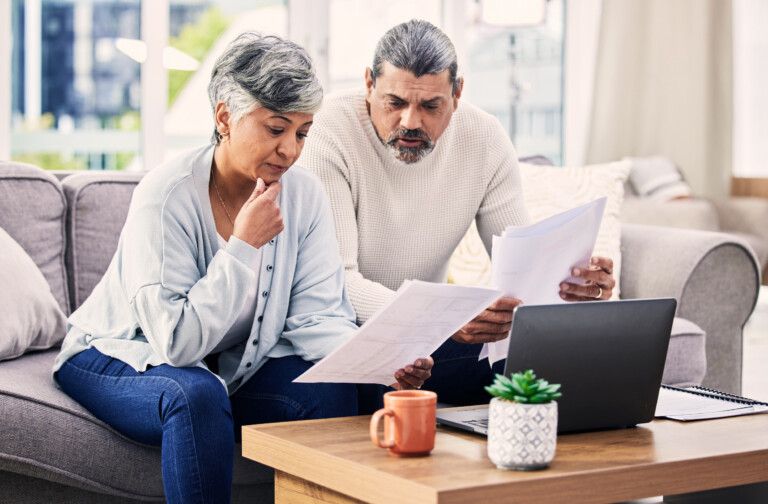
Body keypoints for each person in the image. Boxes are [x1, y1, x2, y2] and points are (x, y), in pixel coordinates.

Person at [52, 32, 432, 504]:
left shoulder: (304, 195)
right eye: (276, 129)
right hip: (120, 352)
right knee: (195, 396)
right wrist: (243, 245)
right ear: (224, 117)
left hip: (222, 364)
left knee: (333, 391)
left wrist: (379, 362)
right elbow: (177, 343)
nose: (290, 151)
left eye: (302, 133)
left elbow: (318, 319)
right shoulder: (165, 196)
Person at [298, 20, 615, 405]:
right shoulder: (327, 129)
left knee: (558, 365)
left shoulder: (484, 137)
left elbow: (524, 268)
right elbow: (338, 284)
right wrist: (444, 319)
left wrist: (572, 287)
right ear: (369, 84)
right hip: (348, 334)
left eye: (431, 106)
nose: (410, 122)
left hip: (428, 341)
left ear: (457, 92)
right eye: (394, 102)